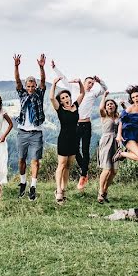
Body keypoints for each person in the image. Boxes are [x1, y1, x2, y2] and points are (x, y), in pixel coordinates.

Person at [51, 61, 107, 192]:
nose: (91, 84)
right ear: (84, 82)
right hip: (76, 124)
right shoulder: (74, 90)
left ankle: (83, 175)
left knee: (86, 150)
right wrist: (55, 68)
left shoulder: (93, 93)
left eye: (92, 83)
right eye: (89, 82)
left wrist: (100, 81)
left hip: (86, 124)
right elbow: (64, 79)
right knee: (75, 150)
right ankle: (84, 170)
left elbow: (105, 90)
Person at [14, 53, 47, 201]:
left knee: (35, 161)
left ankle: (33, 187)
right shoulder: (22, 94)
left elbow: (43, 81)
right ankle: (22, 183)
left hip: (36, 132)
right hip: (22, 132)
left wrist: (41, 67)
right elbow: (17, 81)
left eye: (33, 86)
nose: (31, 88)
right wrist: (16, 66)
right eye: (29, 86)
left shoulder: (39, 94)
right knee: (21, 160)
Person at [50, 76, 85, 204]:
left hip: (74, 140)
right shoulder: (59, 109)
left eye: (67, 96)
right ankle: (58, 190)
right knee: (62, 164)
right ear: (61, 101)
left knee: (69, 165)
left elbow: (82, 93)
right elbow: (51, 98)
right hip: (64, 139)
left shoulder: (76, 105)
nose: (66, 99)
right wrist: (54, 83)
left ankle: (64, 190)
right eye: (63, 98)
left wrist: (80, 82)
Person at [113, 86, 138, 170]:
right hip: (128, 136)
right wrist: (119, 135)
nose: (135, 99)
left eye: (137, 96)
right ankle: (122, 154)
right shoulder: (130, 109)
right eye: (133, 97)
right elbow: (121, 121)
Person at [96, 97, 120, 204]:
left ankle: (105, 190)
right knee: (106, 169)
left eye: (112, 104)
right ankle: (100, 191)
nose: (110, 105)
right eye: (108, 104)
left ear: (115, 106)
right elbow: (100, 108)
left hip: (116, 143)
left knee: (114, 170)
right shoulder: (104, 116)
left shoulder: (118, 117)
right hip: (106, 142)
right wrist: (104, 96)